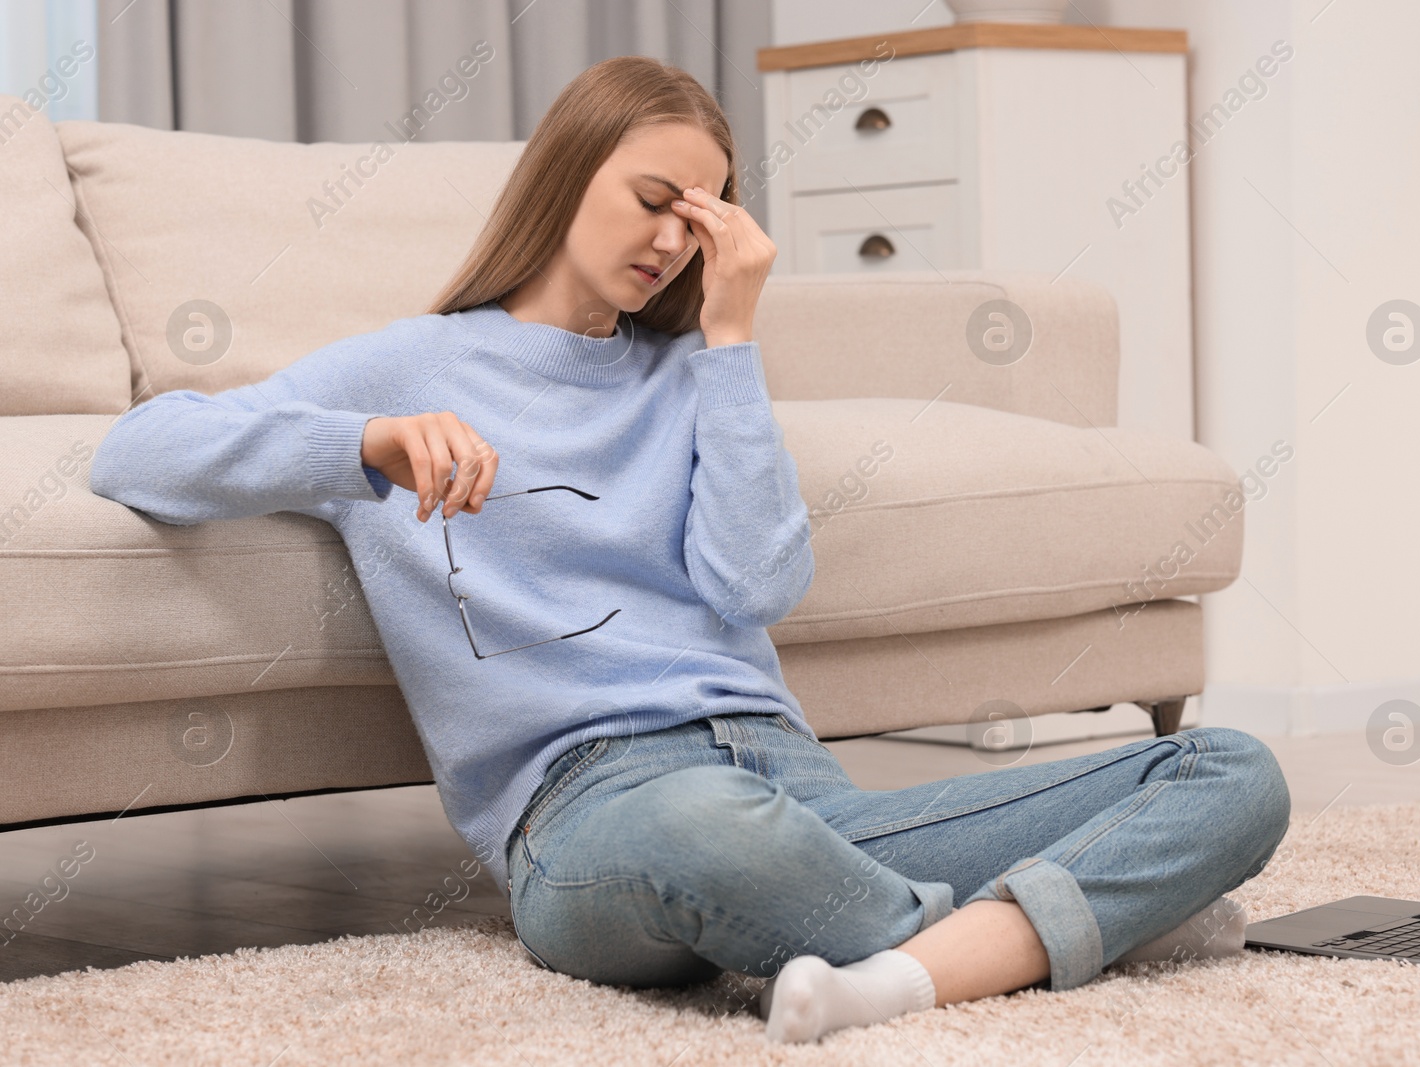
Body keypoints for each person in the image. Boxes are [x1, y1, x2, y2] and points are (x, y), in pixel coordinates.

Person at [89, 55, 1291, 1045]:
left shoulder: (696, 373)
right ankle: (1043, 930)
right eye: (652, 196)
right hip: (592, 818)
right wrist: (364, 443)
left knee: (1228, 769)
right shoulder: (410, 368)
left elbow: (756, 582)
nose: (671, 238)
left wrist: (729, 341)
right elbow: (139, 451)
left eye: (700, 215)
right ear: (566, 175)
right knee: (708, 825)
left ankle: (909, 969)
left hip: (800, 792)